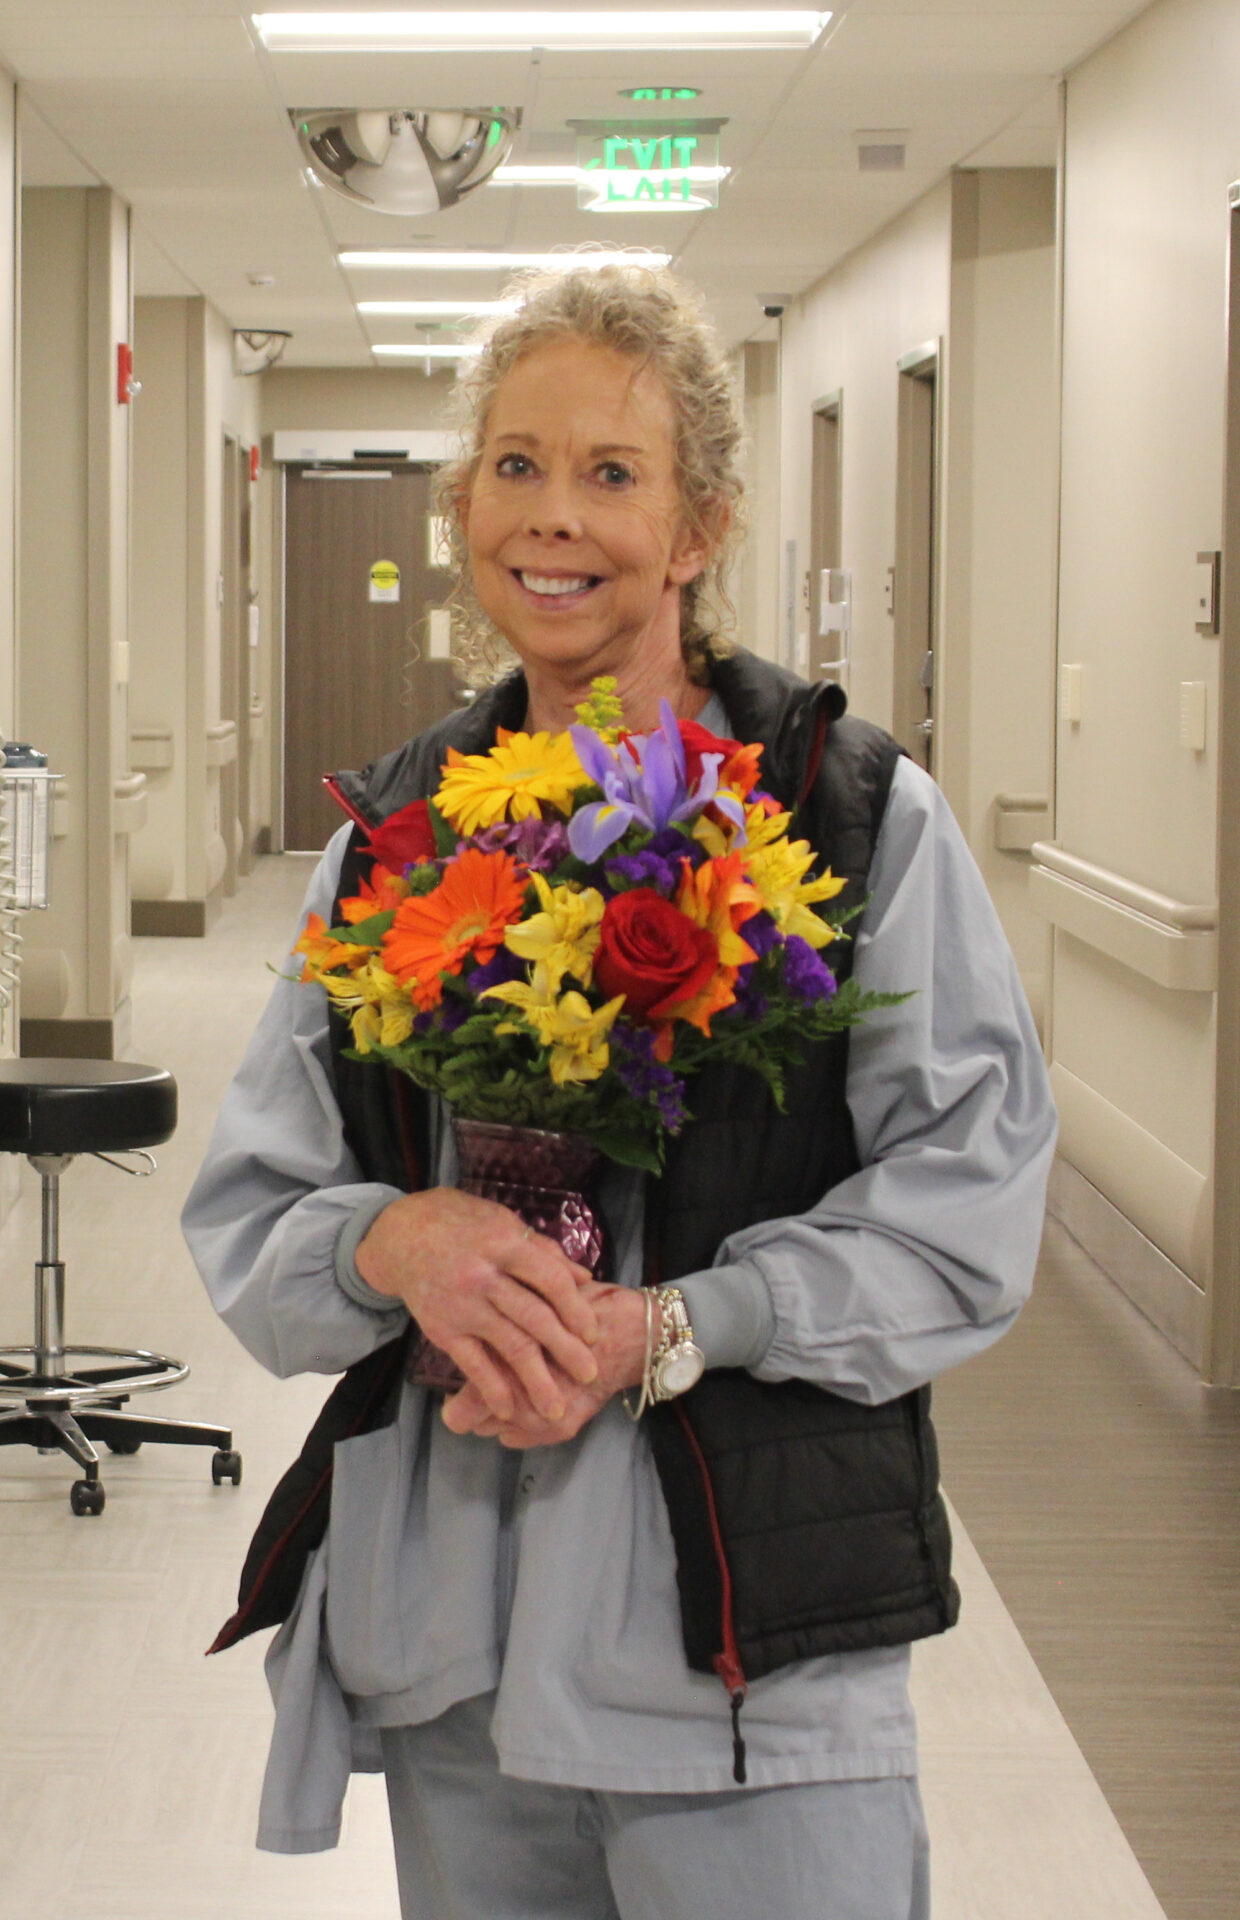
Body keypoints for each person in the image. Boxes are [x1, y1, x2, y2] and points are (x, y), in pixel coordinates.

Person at [183, 260, 1056, 1920]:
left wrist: (680, 1326)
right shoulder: (398, 837)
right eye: (513, 466)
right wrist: (398, 1245)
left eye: (610, 472)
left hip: (744, 1674)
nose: (552, 517)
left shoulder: (849, 823)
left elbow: (968, 1214)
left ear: (702, 520)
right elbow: (257, 1209)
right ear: (460, 505)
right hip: (459, 1657)